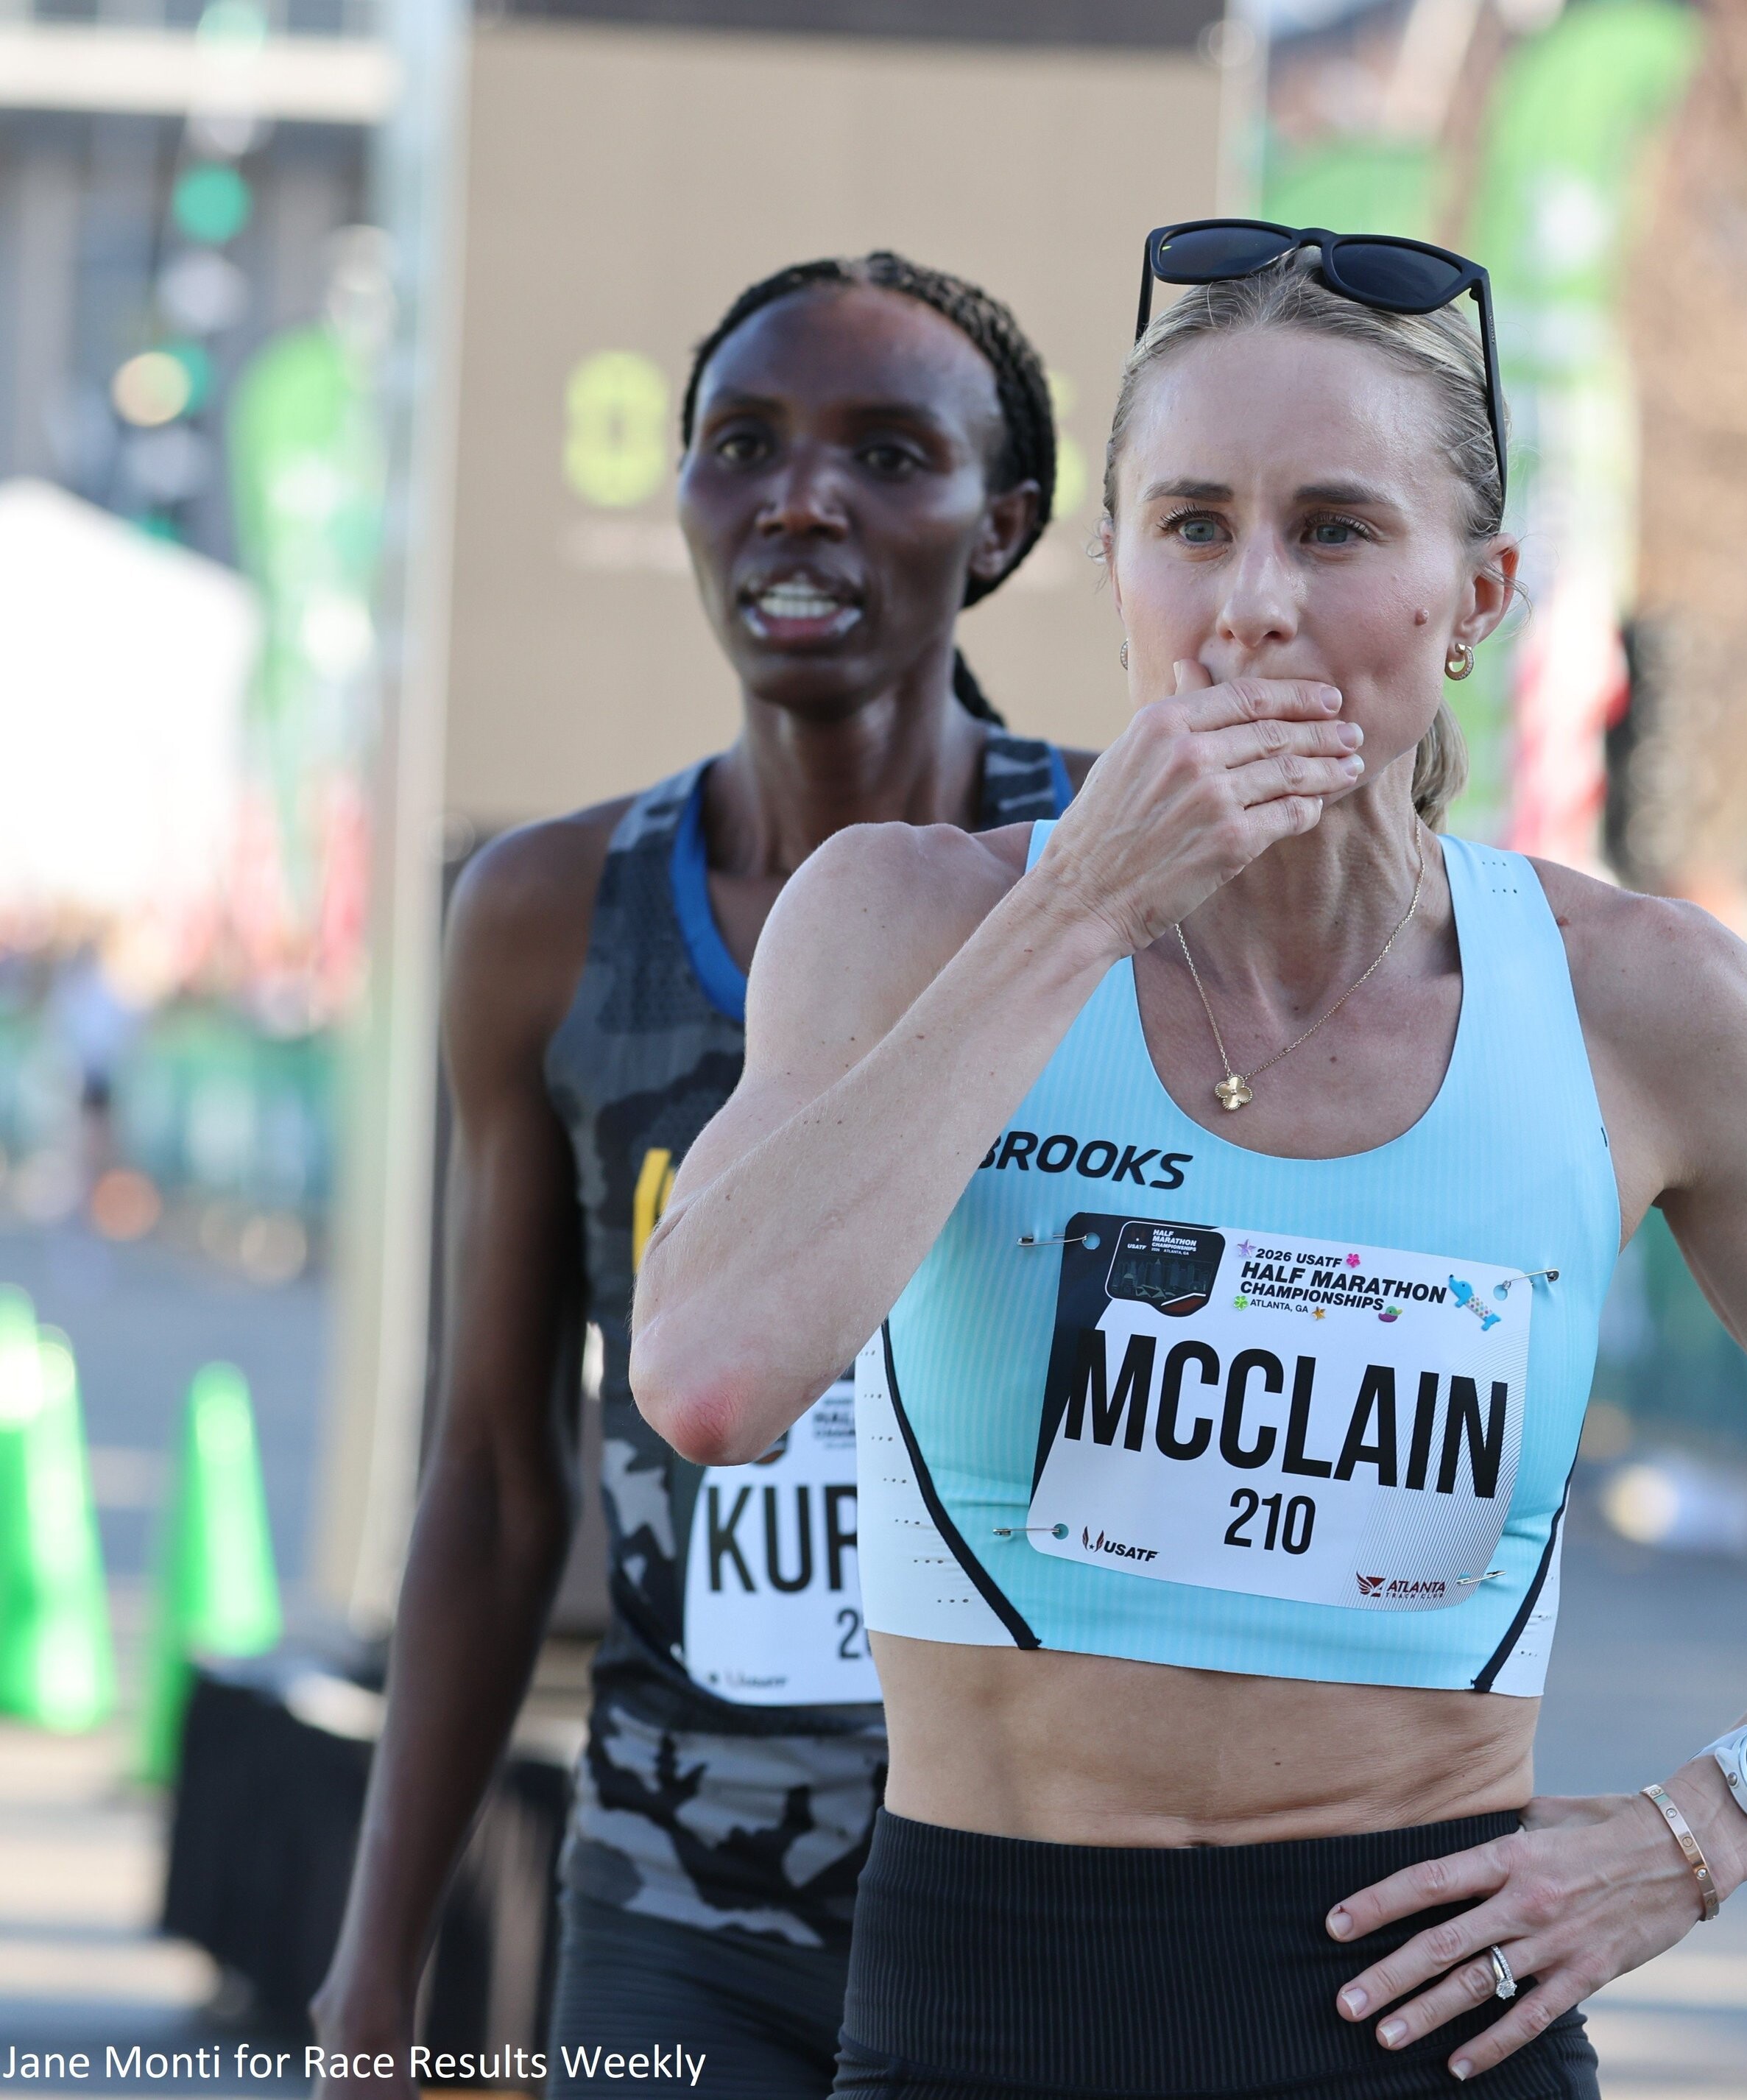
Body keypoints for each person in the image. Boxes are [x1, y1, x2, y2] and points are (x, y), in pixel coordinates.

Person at [630, 228, 1747, 2099]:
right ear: (1114, 567)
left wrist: (1704, 1831)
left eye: (1336, 529)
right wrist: (1082, 910)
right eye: (1191, 526)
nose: (1252, 604)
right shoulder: (902, 921)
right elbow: (711, 1380)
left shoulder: (1639, 1000)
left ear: (1476, 596)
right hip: (990, 2002)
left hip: (1438, 2014)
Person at [311, 253, 1090, 2099]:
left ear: (1002, 526)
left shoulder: (1112, 884)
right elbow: (498, 1468)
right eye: (742, 444)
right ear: (680, 497)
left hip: (1051, 1882)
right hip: (682, 1888)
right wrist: (376, 1967)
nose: (799, 498)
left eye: (886, 454)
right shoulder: (548, 916)